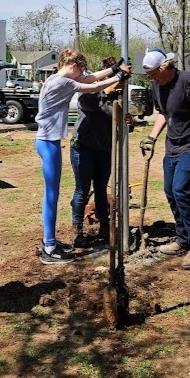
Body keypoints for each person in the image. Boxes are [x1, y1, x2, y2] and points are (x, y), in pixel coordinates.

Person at [35, 48, 131, 265]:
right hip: (48, 144)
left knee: (53, 195)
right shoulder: (63, 82)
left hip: (48, 142)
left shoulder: (55, 78)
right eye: (81, 70)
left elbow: (89, 78)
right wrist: (118, 76)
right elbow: (93, 86)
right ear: (73, 67)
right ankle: (49, 248)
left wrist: (113, 69)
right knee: (51, 196)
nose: (82, 73)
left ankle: (50, 241)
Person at [140, 48, 190, 270]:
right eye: (149, 75)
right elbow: (163, 113)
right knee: (170, 192)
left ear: (165, 67)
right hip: (171, 146)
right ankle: (183, 239)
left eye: (154, 73)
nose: (151, 78)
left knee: (181, 191)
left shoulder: (187, 80)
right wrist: (152, 137)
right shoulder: (157, 85)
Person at [69, 56, 132, 248]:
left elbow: (123, 125)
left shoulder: (119, 100)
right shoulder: (90, 90)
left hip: (104, 149)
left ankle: (105, 227)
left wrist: (129, 123)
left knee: (102, 189)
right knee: (82, 189)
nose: (119, 85)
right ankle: (77, 230)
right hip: (83, 148)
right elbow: (88, 105)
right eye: (117, 80)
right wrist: (107, 89)